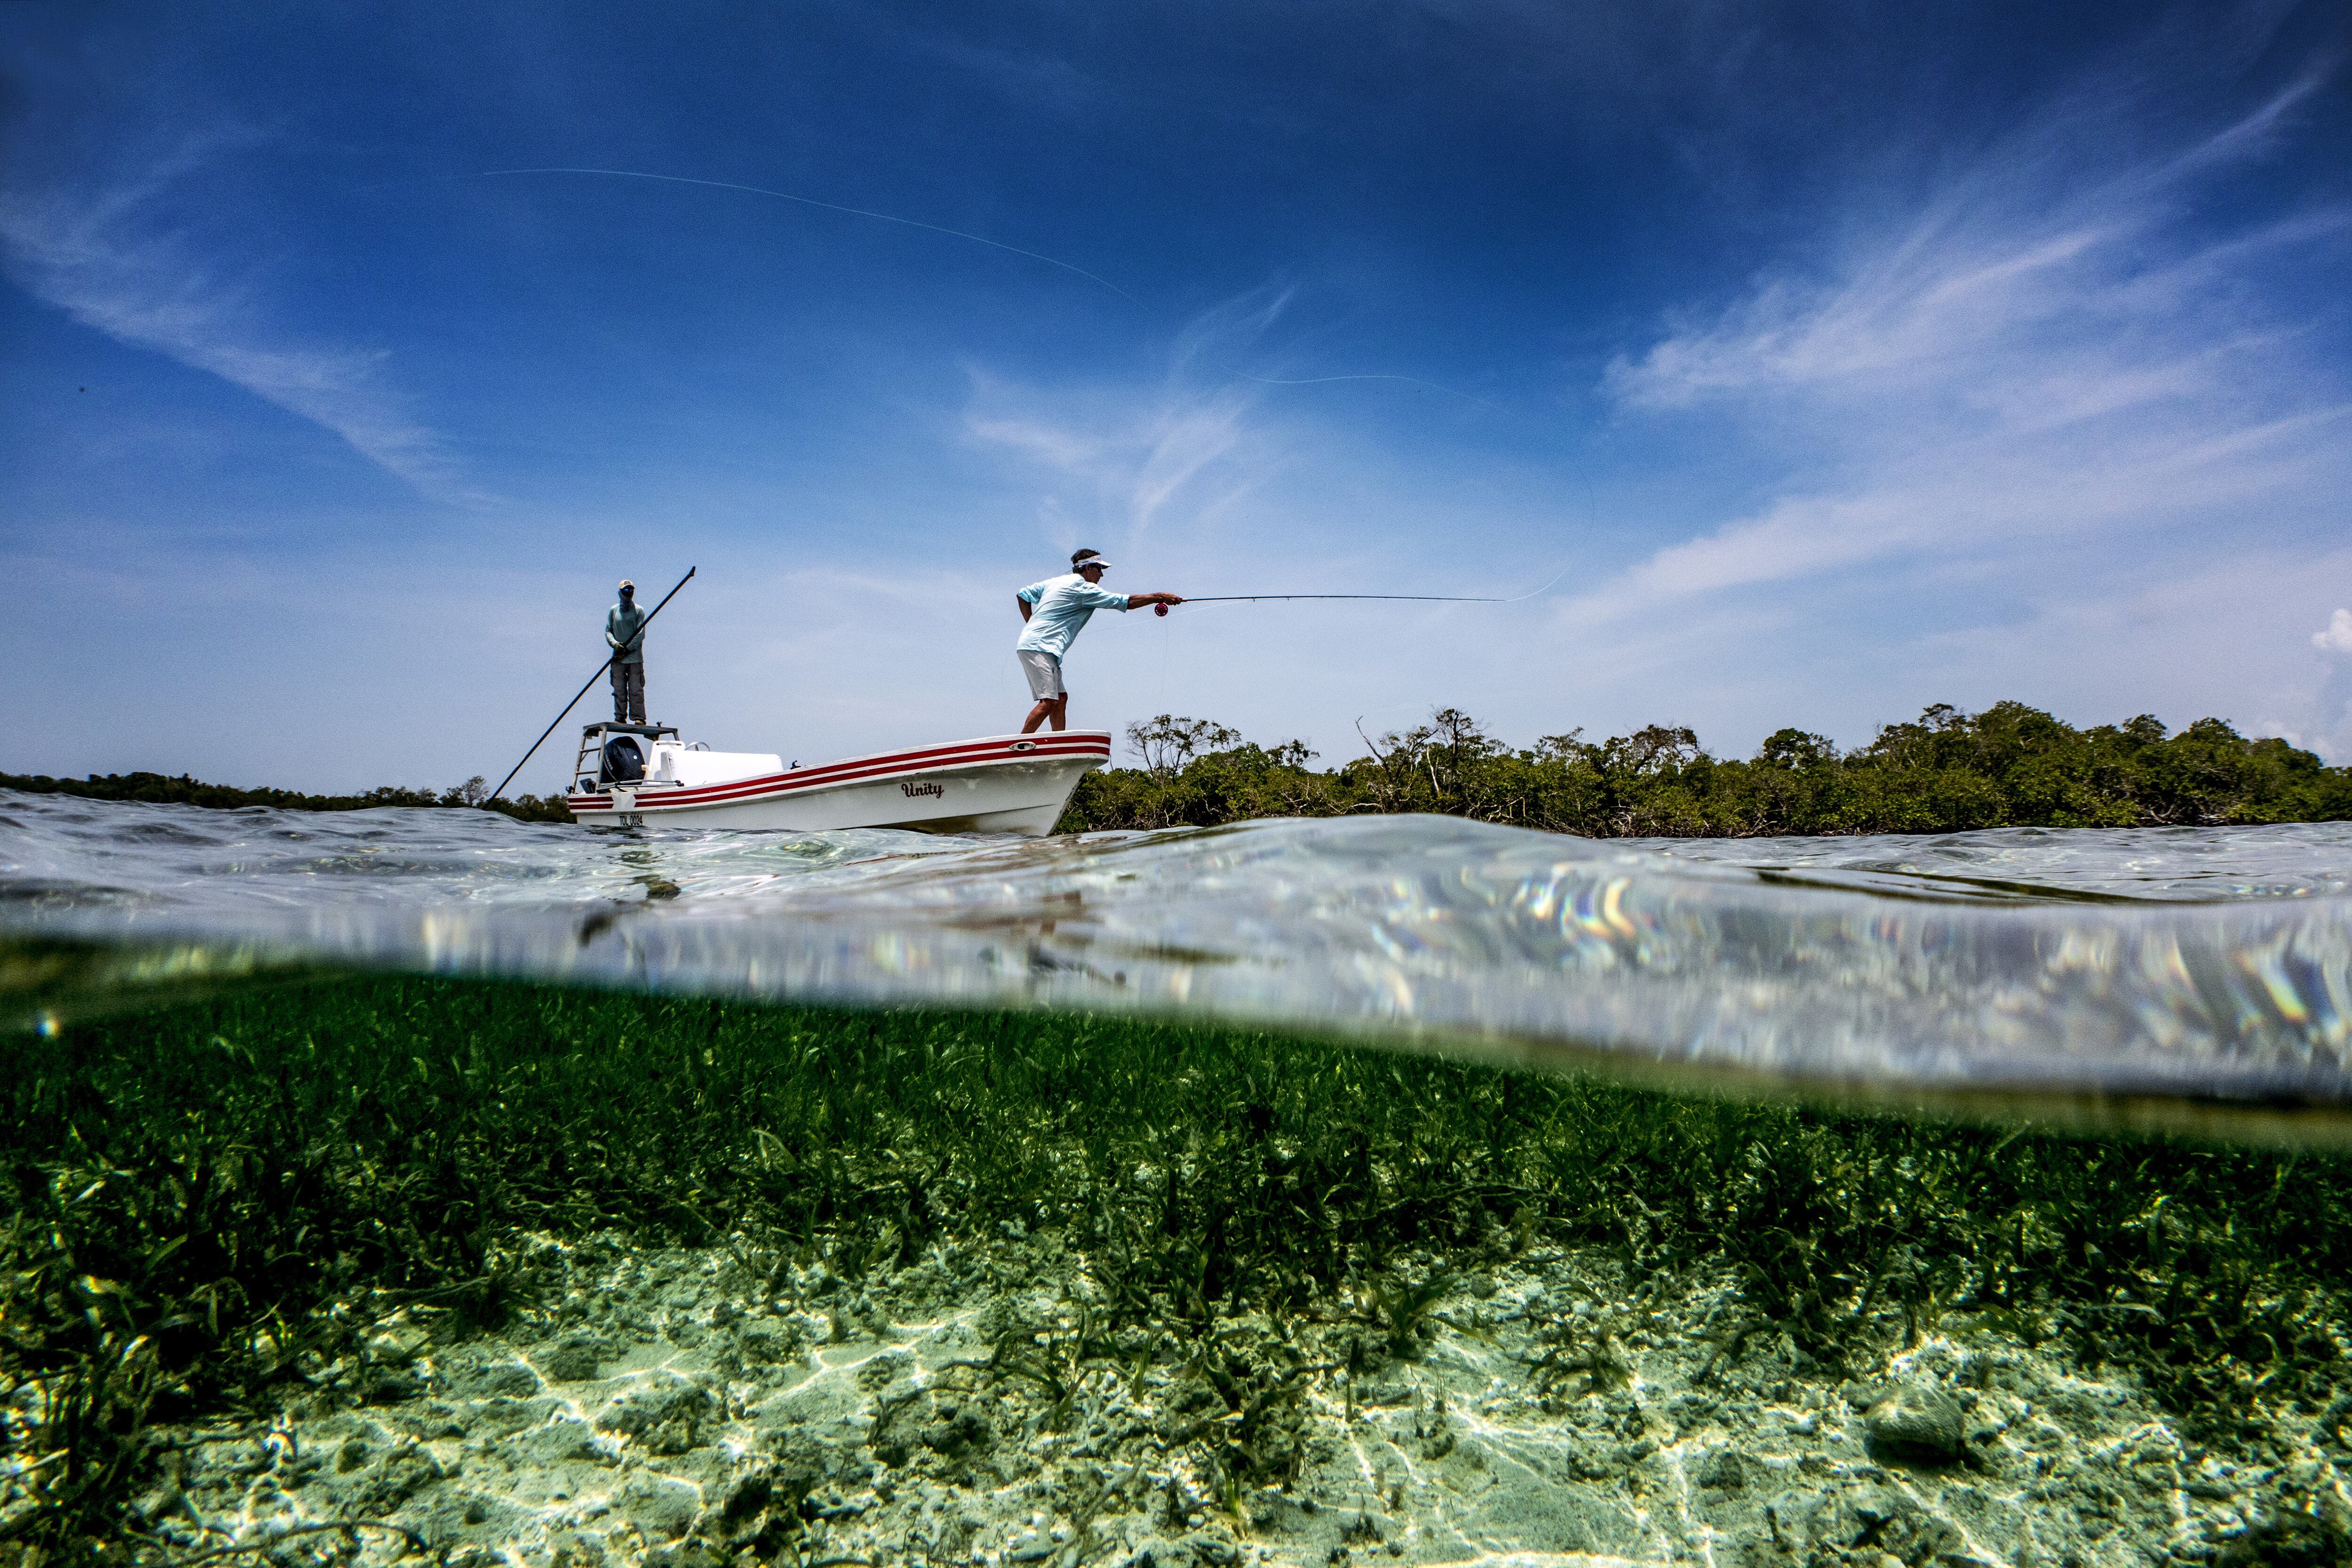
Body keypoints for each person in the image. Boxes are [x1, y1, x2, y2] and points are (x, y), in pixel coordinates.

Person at [1014, 549, 1183, 733]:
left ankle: (1059, 742)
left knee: (1061, 699)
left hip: (1040, 646)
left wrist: (1031, 626)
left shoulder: (1056, 582)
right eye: (1099, 569)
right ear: (1088, 568)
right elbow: (1126, 602)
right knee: (1049, 702)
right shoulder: (1084, 589)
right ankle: (1019, 745)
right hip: (1040, 648)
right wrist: (1159, 597)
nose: (1102, 574)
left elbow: (1023, 594)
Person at [606, 579, 648, 724]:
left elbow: (640, 634)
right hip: (618, 658)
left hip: (635, 658)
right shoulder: (614, 610)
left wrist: (628, 649)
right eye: (626, 591)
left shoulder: (639, 610)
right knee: (619, 690)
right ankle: (620, 717)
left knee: (636, 690)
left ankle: (638, 717)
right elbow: (608, 631)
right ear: (620, 592)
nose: (628, 593)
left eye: (631, 590)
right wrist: (616, 645)